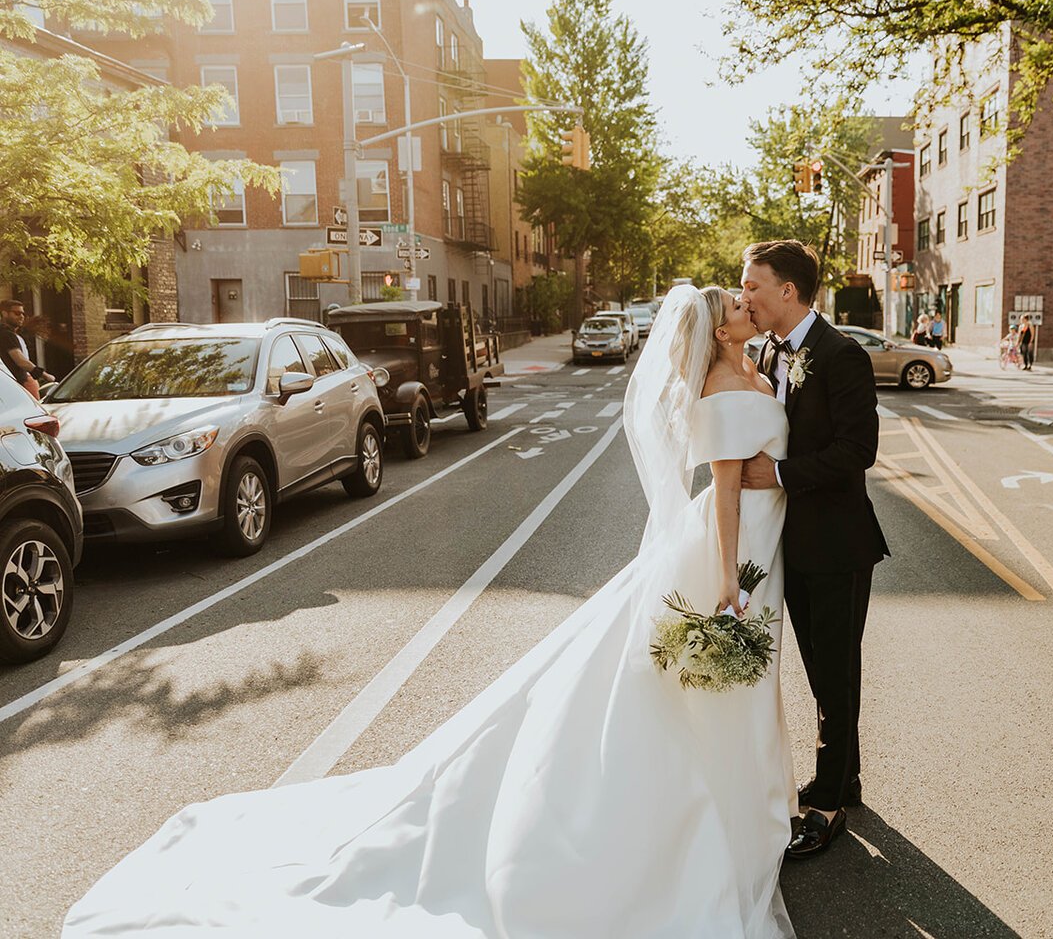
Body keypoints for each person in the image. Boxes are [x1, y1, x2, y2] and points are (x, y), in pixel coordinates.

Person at [64, 285, 798, 938]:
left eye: (745, 298)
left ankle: (747, 799)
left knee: (718, 680)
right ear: (717, 332)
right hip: (732, 546)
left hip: (760, 533)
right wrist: (728, 578)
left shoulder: (751, 368)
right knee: (694, 681)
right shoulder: (718, 388)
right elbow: (727, 487)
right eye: (734, 305)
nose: (745, 305)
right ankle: (704, 813)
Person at [740, 240, 890, 860]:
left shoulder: (840, 355)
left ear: (788, 292)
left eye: (753, 286)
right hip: (792, 547)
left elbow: (858, 452)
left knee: (834, 672)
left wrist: (777, 476)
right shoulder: (770, 351)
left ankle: (828, 804)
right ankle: (844, 777)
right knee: (819, 669)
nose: (745, 295)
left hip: (837, 545)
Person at [0, 300, 51, 399]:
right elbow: (20, 361)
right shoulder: (6, 334)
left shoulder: (13, 334)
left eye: (23, 313)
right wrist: (45, 375)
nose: (21, 316)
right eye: (17, 313)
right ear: (4, 313)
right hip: (19, 384)